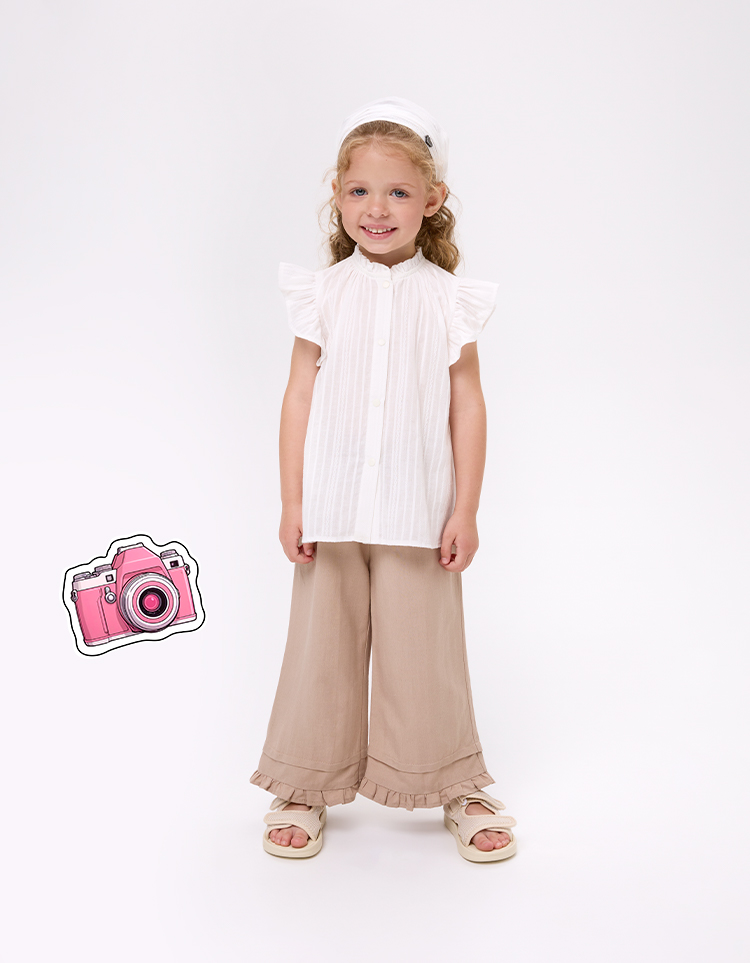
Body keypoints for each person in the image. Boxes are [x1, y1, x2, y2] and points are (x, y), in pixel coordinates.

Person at [250, 97, 518, 863]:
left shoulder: (450, 299)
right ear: (338, 197)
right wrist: (292, 501)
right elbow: (298, 396)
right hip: (331, 508)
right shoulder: (322, 292)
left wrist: (466, 507)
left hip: (418, 508)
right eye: (360, 191)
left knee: (425, 653)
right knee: (320, 650)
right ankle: (303, 780)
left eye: (398, 191)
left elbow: (468, 404)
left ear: (432, 200)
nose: (377, 208)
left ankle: (453, 780)